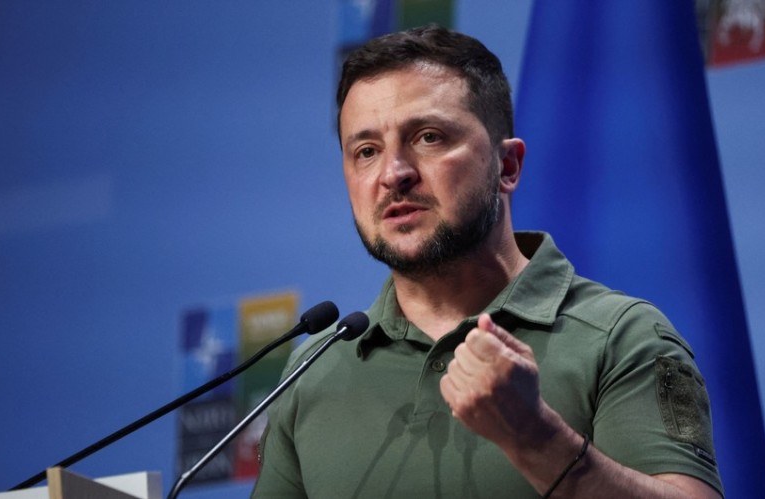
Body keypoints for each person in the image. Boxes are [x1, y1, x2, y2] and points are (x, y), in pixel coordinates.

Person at [251, 25, 723, 498]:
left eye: (429, 137)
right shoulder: (313, 370)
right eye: (366, 151)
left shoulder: (621, 337)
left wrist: (536, 437)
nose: (393, 173)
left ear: (507, 166)